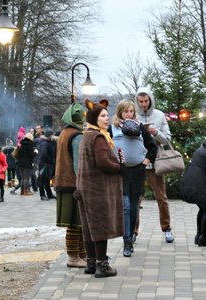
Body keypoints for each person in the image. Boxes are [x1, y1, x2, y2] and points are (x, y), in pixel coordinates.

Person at [74, 99, 123, 278]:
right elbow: (102, 162)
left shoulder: (86, 135)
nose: (107, 118)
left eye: (107, 115)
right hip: (97, 188)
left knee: (89, 226)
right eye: (103, 116)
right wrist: (119, 167)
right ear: (95, 118)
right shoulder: (98, 137)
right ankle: (103, 266)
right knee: (100, 225)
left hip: (84, 187)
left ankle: (91, 263)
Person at [109, 99, 157, 257]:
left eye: (131, 111)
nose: (129, 114)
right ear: (120, 113)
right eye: (126, 111)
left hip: (137, 171)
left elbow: (152, 147)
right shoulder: (113, 128)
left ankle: (132, 233)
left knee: (134, 206)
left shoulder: (140, 127)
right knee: (126, 206)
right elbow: (107, 148)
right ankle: (126, 241)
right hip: (121, 171)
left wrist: (145, 162)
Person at [135, 87, 175, 243]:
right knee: (136, 198)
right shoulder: (133, 114)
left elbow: (167, 139)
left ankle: (167, 229)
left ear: (150, 100)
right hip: (138, 161)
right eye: (141, 101)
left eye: (146, 101)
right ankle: (133, 231)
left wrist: (156, 133)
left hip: (156, 160)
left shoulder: (159, 115)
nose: (144, 104)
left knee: (161, 197)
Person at [55, 103, 87, 268]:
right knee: (76, 222)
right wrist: (82, 184)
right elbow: (78, 164)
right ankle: (73, 256)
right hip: (73, 184)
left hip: (63, 183)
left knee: (79, 222)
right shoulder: (76, 136)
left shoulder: (64, 133)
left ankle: (82, 254)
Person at [37, 129, 57, 201]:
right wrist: (50, 160)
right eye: (52, 135)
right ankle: (42, 195)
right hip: (44, 164)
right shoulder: (45, 143)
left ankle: (49, 194)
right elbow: (43, 154)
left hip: (47, 163)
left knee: (47, 179)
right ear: (50, 135)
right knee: (42, 180)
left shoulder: (48, 142)